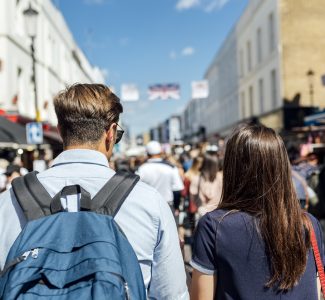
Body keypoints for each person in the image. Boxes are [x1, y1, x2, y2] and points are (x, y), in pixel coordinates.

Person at [0, 84, 189, 299]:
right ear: (111, 133)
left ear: (61, 131)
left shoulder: (8, 202)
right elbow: (171, 294)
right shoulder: (148, 201)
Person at [190, 124, 324, 300]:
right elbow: (314, 290)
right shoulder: (309, 223)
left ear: (232, 168)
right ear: (282, 166)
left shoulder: (214, 227)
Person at [137, 140, 184, 213]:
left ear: (147, 153)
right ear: (161, 152)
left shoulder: (141, 169)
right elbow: (177, 189)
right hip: (168, 205)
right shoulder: (171, 168)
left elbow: (137, 190)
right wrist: (176, 207)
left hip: (148, 206)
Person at [189, 154, 222, 218]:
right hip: (219, 215)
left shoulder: (196, 179)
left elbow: (192, 199)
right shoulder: (221, 178)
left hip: (203, 214)